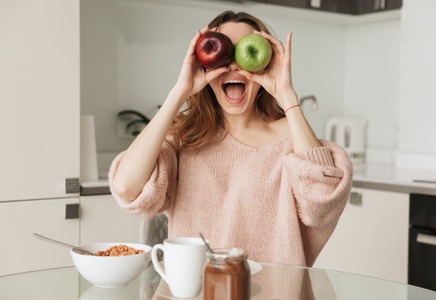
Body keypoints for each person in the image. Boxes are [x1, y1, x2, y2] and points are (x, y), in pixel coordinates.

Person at [109, 11, 353, 266]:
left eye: (242, 55)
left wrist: (287, 95)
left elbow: (322, 204)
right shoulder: (183, 140)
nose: (234, 65)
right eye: (224, 55)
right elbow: (127, 188)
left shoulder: (292, 138)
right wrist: (180, 91)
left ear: (266, 63)